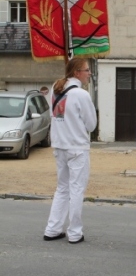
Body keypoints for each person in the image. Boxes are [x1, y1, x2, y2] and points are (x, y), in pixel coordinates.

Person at [43, 57, 97, 244]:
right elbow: (91, 125)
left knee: (62, 188)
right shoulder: (81, 94)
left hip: (59, 145)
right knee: (76, 190)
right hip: (76, 147)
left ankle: (53, 228)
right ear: (77, 73)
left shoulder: (55, 88)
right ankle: (74, 232)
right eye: (86, 70)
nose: (89, 73)